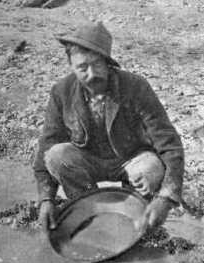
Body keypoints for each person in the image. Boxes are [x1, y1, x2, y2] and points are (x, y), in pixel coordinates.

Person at [34, 20, 184, 231]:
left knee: (151, 168)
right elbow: (47, 144)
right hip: (88, 162)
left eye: (96, 65)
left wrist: (166, 199)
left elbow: (169, 142)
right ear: (71, 67)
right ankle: (88, 206)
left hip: (131, 160)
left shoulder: (136, 86)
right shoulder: (61, 91)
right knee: (55, 155)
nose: (91, 74)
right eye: (82, 68)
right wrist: (46, 199)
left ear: (107, 63)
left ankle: (138, 208)